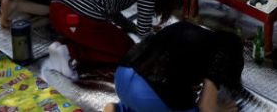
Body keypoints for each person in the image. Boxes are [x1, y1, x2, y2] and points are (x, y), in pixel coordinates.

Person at [47, 0, 179, 78]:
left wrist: (131, 27)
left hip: (57, 8)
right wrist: (158, 46)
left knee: (85, 36)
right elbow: (144, 29)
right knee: (126, 51)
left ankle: (60, 45)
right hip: (81, 18)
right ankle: (69, 51)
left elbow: (111, 8)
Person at [103, 21, 243, 112]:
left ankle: (120, 109)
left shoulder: (187, 29)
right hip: (148, 95)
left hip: (122, 75)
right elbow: (206, 108)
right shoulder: (222, 53)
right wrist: (221, 109)